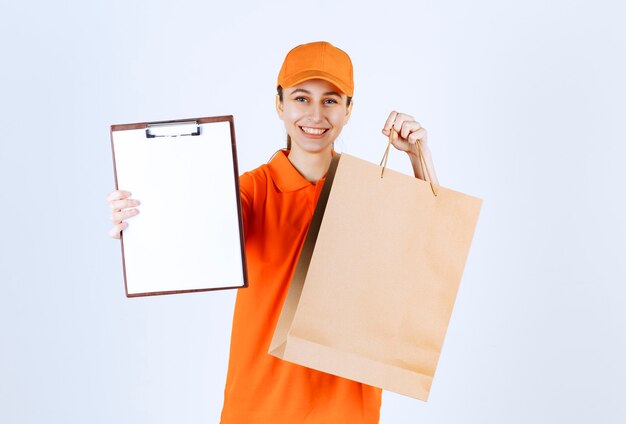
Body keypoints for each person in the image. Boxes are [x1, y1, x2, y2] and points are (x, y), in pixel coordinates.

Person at [107, 41, 438, 424]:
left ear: (349, 110)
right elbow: (190, 234)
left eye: (331, 100)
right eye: (301, 98)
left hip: (348, 411)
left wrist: (418, 156)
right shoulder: (250, 191)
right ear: (279, 104)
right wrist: (136, 223)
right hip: (260, 408)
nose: (315, 114)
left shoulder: (367, 190)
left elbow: (428, 254)